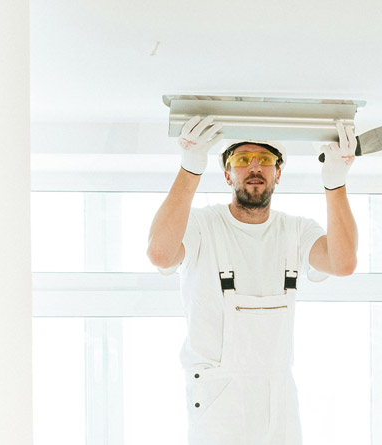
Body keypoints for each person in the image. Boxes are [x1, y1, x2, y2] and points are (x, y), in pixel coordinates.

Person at [147, 115, 358, 445]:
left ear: (278, 173)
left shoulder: (297, 231)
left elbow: (343, 263)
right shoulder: (203, 225)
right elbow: (160, 254)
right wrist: (190, 166)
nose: (254, 168)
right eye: (243, 160)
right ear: (228, 173)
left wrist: (336, 183)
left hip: (278, 392)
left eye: (266, 160)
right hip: (220, 393)